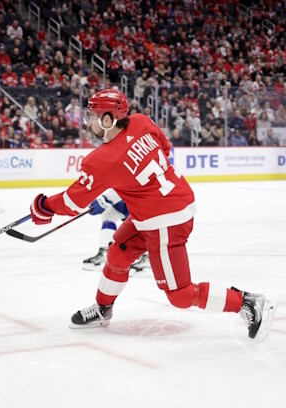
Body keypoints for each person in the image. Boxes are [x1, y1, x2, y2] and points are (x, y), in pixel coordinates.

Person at [28, 88, 276, 340]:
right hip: (158, 209)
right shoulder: (141, 121)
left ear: (108, 119)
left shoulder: (101, 160)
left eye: (93, 116)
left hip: (166, 220)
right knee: (118, 252)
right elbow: (165, 150)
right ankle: (103, 309)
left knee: (180, 294)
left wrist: (43, 206)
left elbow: (71, 202)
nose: (88, 122)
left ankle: (247, 302)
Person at [83, 189, 150, 274]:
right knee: (109, 215)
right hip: (129, 197)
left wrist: (103, 201)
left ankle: (149, 258)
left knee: (144, 222)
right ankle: (105, 253)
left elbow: (125, 183)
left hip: (145, 198)